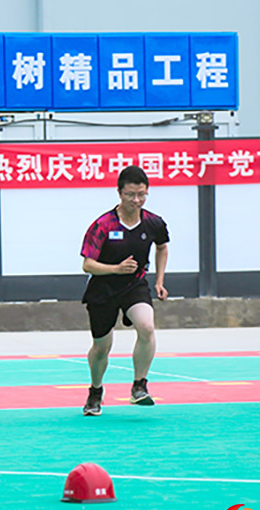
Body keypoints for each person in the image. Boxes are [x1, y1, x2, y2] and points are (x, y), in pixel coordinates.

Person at [79, 165, 169, 416]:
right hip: (103, 289)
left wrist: (159, 281)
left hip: (135, 286)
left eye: (142, 194)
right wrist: (115, 269)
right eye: (131, 195)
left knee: (147, 326)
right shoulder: (103, 225)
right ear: (119, 193)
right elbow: (87, 264)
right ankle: (95, 391)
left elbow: (162, 247)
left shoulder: (153, 222)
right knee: (101, 347)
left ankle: (139, 385)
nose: (136, 200)